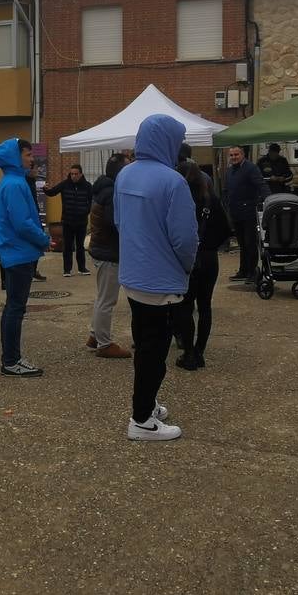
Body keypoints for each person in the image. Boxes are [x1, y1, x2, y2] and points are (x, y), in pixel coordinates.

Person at [114, 115, 199, 441]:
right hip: (162, 278)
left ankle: (146, 405)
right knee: (155, 352)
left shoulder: (125, 174)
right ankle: (141, 421)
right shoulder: (172, 181)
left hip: (133, 275)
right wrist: (186, 267)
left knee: (144, 345)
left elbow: (120, 222)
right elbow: (185, 239)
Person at [0, 138, 51, 377]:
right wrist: (44, 239)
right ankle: (11, 360)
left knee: (14, 308)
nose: (31, 158)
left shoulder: (12, 181)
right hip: (18, 253)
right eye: (27, 154)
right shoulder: (15, 184)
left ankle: (11, 359)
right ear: (15, 157)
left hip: (16, 252)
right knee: (15, 308)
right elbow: (23, 223)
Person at [174, 161, 231, 371]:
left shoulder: (179, 200)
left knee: (185, 307)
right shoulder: (210, 199)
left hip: (188, 258)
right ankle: (199, 351)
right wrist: (210, 245)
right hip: (209, 258)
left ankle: (188, 352)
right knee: (205, 305)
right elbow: (226, 228)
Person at [85, 153, 132, 359]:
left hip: (102, 250)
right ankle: (104, 344)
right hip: (109, 252)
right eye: (128, 166)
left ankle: (95, 335)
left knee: (103, 297)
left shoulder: (103, 189)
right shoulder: (112, 192)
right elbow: (116, 223)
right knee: (107, 300)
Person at [224, 145, 269, 283]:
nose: (234, 157)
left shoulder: (251, 168)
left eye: (236, 154)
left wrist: (269, 200)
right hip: (235, 212)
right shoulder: (230, 171)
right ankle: (243, 271)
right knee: (242, 244)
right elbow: (227, 190)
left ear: (243, 155)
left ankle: (252, 272)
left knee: (250, 243)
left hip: (248, 211)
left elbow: (261, 185)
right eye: (231, 155)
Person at [44, 163, 94, 276]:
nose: (74, 176)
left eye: (76, 174)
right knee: (67, 246)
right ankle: (67, 270)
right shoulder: (65, 184)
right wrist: (46, 189)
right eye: (72, 174)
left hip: (81, 221)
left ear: (81, 174)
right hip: (67, 221)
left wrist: (86, 211)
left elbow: (91, 201)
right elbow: (52, 192)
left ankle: (82, 268)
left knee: (80, 246)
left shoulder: (87, 186)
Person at [25, 160, 48, 282]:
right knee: (33, 244)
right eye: (35, 169)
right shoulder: (25, 183)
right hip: (30, 217)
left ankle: (33, 270)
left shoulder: (32, 182)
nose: (37, 171)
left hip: (35, 215)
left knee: (37, 244)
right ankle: (30, 270)